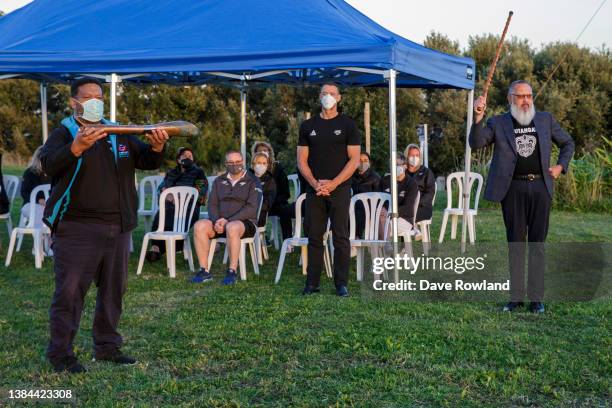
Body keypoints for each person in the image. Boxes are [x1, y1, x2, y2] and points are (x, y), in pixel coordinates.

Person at [40, 77, 169, 374]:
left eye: (99, 96)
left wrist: (158, 147)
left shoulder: (117, 131)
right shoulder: (64, 132)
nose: (95, 101)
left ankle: (107, 346)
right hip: (77, 229)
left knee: (113, 291)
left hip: (118, 227)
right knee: (70, 293)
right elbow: (48, 165)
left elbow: (146, 160)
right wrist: (75, 148)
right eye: (88, 97)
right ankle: (61, 354)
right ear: (74, 102)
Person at [470, 79, 574, 314]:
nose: (526, 100)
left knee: (538, 244)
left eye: (529, 96)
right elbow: (476, 143)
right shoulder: (498, 122)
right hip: (512, 190)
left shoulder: (545, 119)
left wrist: (560, 167)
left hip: (541, 187)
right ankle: (515, 298)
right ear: (510, 99)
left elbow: (568, 143)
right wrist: (477, 117)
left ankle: (536, 299)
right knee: (516, 243)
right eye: (520, 96)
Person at [297, 83, 360, 297]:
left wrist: (333, 183)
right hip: (315, 190)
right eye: (324, 93)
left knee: (340, 236)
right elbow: (301, 160)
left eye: (332, 94)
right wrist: (315, 183)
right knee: (314, 236)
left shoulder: (348, 125)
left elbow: (354, 160)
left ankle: (341, 284)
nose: (328, 97)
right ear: (319, 97)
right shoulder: (307, 126)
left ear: (339, 98)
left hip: (340, 189)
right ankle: (312, 283)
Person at [191, 150, 262, 285]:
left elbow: (251, 208)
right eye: (231, 162)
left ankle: (232, 271)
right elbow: (212, 203)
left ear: (242, 162)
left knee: (232, 227)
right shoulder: (219, 181)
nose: (235, 165)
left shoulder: (252, 181)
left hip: (244, 223)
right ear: (226, 164)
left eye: (237, 162)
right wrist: (217, 220)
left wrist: (227, 220)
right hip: (221, 221)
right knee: (199, 226)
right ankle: (204, 271)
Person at [146, 147, 208, 261]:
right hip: (169, 205)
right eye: (185, 156)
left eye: (190, 156)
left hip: (189, 208)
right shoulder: (171, 173)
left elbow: (201, 192)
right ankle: (157, 247)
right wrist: (167, 194)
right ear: (179, 160)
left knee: (171, 214)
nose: (188, 158)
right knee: (163, 212)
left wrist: (182, 198)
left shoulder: (198, 172)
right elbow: (161, 189)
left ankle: (162, 247)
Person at [252, 141, 292, 239]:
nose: (262, 153)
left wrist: (272, 201)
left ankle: (288, 241)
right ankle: (260, 240)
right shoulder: (251, 172)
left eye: (265, 151)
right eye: (259, 151)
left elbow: (286, 193)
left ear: (270, 153)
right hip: (259, 204)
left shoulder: (278, 169)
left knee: (285, 209)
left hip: (276, 203)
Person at [378, 154, 419, 240]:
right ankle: (379, 250)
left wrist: (389, 212)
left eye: (397, 164)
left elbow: (408, 207)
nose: (394, 167)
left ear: (405, 166)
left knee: (381, 224)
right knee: (373, 222)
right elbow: (379, 200)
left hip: (404, 219)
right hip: (384, 217)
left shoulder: (411, 184)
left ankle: (386, 248)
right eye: (392, 165)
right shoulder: (384, 181)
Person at [404, 144, 436, 240]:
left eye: (417, 155)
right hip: (405, 205)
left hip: (423, 207)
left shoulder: (426, 172)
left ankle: (412, 234)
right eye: (411, 155)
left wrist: (416, 203)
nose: (414, 158)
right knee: (400, 213)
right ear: (407, 156)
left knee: (404, 214)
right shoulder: (402, 172)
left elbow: (430, 193)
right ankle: (413, 232)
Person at [351, 152, 381, 238]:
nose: (362, 163)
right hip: (352, 207)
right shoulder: (351, 176)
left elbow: (378, 197)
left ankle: (356, 236)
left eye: (365, 160)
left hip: (369, 208)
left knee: (360, 205)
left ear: (369, 163)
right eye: (360, 160)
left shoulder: (375, 177)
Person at [20, 146, 50, 230]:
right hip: (31, 204)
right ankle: (41, 241)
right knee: (41, 213)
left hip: (49, 205)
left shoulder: (53, 173)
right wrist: (39, 200)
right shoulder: (30, 173)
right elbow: (24, 192)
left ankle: (53, 240)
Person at [249, 151, 277, 228]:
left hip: (258, 215)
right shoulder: (246, 177)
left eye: (264, 163)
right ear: (253, 164)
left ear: (267, 165)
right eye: (259, 162)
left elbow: (267, 204)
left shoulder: (270, 181)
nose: (261, 165)